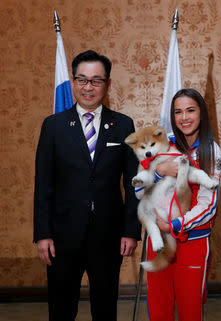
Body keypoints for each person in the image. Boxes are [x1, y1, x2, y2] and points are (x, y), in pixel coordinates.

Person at [33, 50, 141, 321]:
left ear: (108, 84)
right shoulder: (54, 126)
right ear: (72, 82)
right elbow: (43, 184)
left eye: (96, 80)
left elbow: (133, 183)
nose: (88, 87)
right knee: (61, 307)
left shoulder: (123, 125)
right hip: (62, 236)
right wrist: (42, 234)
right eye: (82, 80)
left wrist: (131, 231)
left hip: (108, 235)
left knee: (105, 307)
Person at [143, 88, 221, 321]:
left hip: (192, 242)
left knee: (190, 310)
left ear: (201, 113)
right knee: (159, 309)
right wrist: (160, 171)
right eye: (178, 112)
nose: (184, 117)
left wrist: (176, 224)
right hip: (158, 240)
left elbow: (209, 205)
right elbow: (139, 187)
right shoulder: (161, 143)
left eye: (190, 110)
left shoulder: (212, 151)